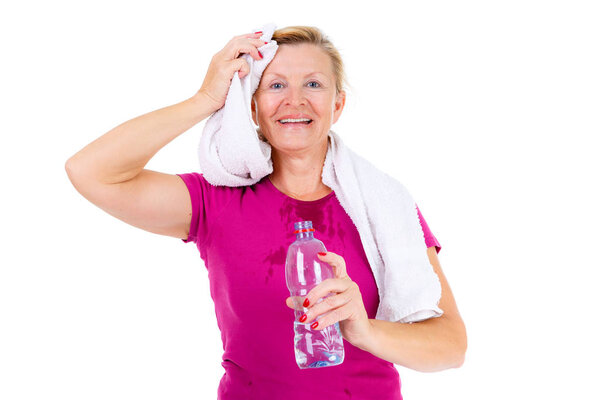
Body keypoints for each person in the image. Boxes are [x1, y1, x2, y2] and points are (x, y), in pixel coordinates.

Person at [66, 25, 467, 399]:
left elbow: (451, 346)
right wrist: (204, 99)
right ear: (252, 109)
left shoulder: (384, 206)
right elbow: (91, 172)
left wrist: (363, 330)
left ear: (338, 104)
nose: (295, 100)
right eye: (276, 85)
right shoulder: (216, 201)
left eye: (313, 83)